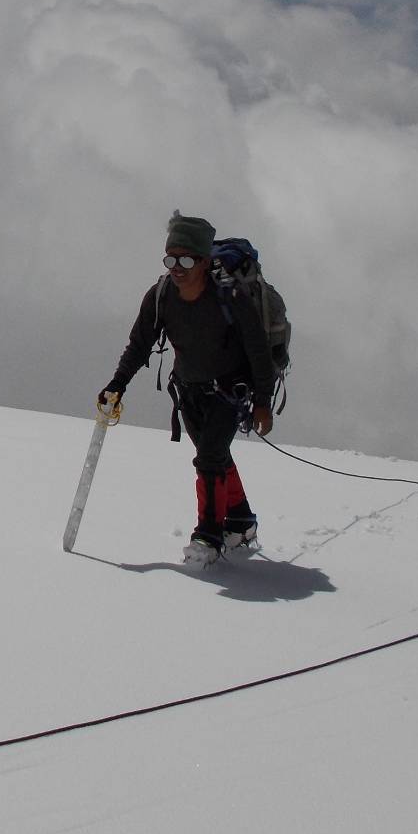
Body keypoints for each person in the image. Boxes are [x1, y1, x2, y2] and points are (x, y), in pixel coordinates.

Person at [99, 212, 276, 568]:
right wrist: (117, 385)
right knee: (215, 455)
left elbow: (259, 352)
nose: (176, 268)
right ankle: (240, 519)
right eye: (170, 259)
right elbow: (139, 345)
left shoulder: (231, 297)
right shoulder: (161, 295)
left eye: (185, 260)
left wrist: (262, 402)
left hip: (231, 391)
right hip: (188, 390)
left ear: (204, 261)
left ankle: (207, 537)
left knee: (209, 456)